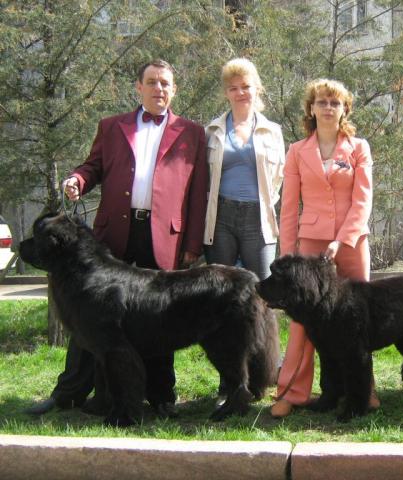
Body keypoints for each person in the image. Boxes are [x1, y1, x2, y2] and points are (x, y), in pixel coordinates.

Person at [25, 59, 208, 418]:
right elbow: (92, 166)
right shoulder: (112, 127)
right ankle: (70, 393)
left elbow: (198, 191)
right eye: (152, 82)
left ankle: (160, 396)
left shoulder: (192, 132)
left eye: (166, 84)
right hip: (114, 236)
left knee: (160, 318)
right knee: (87, 318)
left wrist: (192, 244)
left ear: (174, 90)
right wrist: (78, 180)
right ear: (138, 87)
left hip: (164, 236)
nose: (159, 89)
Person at [270, 78, 376, 418]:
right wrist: (288, 257)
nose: (328, 107)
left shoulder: (359, 148)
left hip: (351, 242)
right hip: (310, 245)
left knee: (358, 319)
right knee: (302, 322)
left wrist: (342, 239)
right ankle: (292, 392)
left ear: (345, 108)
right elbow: (288, 208)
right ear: (311, 109)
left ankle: (364, 391)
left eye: (335, 102)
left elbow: (362, 200)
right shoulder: (297, 151)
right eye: (322, 102)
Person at [203, 58, 285, 281]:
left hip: (258, 218)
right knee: (219, 287)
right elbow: (204, 177)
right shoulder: (212, 130)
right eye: (233, 88)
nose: (240, 93)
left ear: (257, 88)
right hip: (220, 217)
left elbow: (278, 175)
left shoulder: (273, 131)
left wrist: (265, 202)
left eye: (246, 86)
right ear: (226, 93)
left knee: (262, 286)